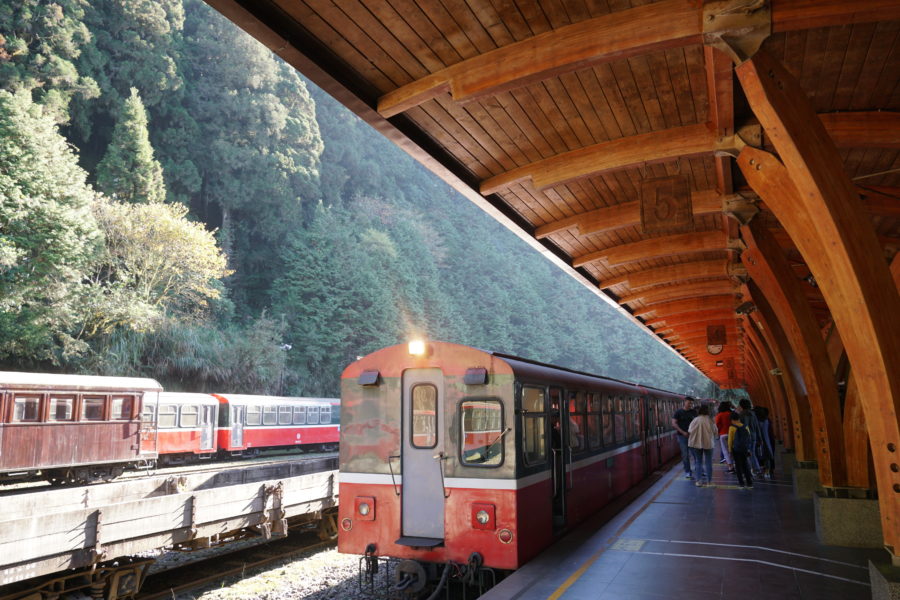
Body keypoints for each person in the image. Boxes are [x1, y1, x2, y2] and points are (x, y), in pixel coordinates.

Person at [688, 404, 717, 486]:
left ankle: (698, 481)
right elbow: (715, 431)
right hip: (709, 443)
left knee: (698, 462)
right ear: (708, 411)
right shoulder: (710, 420)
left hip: (697, 443)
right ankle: (709, 481)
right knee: (708, 462)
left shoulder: (695, 420)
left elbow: (690, 430)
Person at [672, 397, 697, 479]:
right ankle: (688, 471)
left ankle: (698, 468)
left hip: (693, 436)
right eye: (689, 403)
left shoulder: (694, 412)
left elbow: (697, 423)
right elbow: (674, 423)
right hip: (682, 436)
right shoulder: (678, 412)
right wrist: (683, 432)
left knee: (696, 454)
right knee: (685, 454)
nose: (690, 405)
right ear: (685, 402)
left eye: (691, 403)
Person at [728, 411, 754, 489]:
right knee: (745, 465)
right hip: (744, 449)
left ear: (732, 420)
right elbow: (749, 438)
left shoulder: (732, 427)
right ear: (739, 418)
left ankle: (741, 483)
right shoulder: (745, 426)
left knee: (738, 466)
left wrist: (730, 450)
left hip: (736, 449)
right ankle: (749, 483)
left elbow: (730, 440)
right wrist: (749, 448)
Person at [738, 399, 763, 476]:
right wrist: (760, 437)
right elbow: (757, 426)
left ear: (741, 405)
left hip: (746, 437)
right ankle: (755, 468)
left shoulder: (742, 414)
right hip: (754, 436)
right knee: (752, 452)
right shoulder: (753, 414)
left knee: (747, 453)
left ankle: (753, 469)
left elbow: (742, 427)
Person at [715, 401, 735, 473]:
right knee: (733, 450)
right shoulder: (732, 414)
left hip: (723, 434)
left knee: (726, 451)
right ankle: (735, 465)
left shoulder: (719, 415)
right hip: (733, 434)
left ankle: (730, 467)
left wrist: (718, 432)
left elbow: (717, 425)